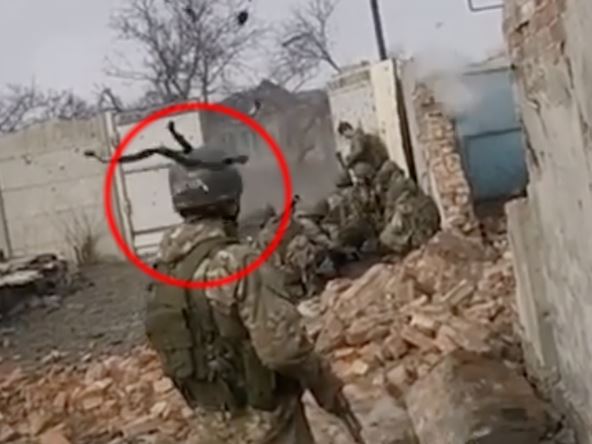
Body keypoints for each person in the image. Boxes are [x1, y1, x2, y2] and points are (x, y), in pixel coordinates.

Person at [145, 143, 350, 444]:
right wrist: (325, 386)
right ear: (231, 200)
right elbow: (284, 351)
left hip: (210, 425)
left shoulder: (164, 269)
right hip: (266, 425)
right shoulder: (238, 263)